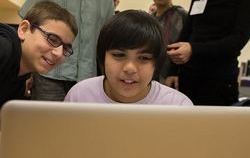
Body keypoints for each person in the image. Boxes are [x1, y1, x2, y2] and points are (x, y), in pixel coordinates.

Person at [64, 10, 192, 105]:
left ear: (157, 63)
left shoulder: (177, 105)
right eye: (119, 55)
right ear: (102, 56)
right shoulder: (80, 95)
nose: (130, 68)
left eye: (144, 58)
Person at [0, 1, 78, 107]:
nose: (59, 54)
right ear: (24, 29)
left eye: (66, 48)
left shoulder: (20, 80)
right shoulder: (4, 49)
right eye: (53, 39)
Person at [150, 0, 187, 84]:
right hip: (149, 75)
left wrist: (175, 72)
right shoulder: (149, 20)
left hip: (172, 77)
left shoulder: (181, 15)